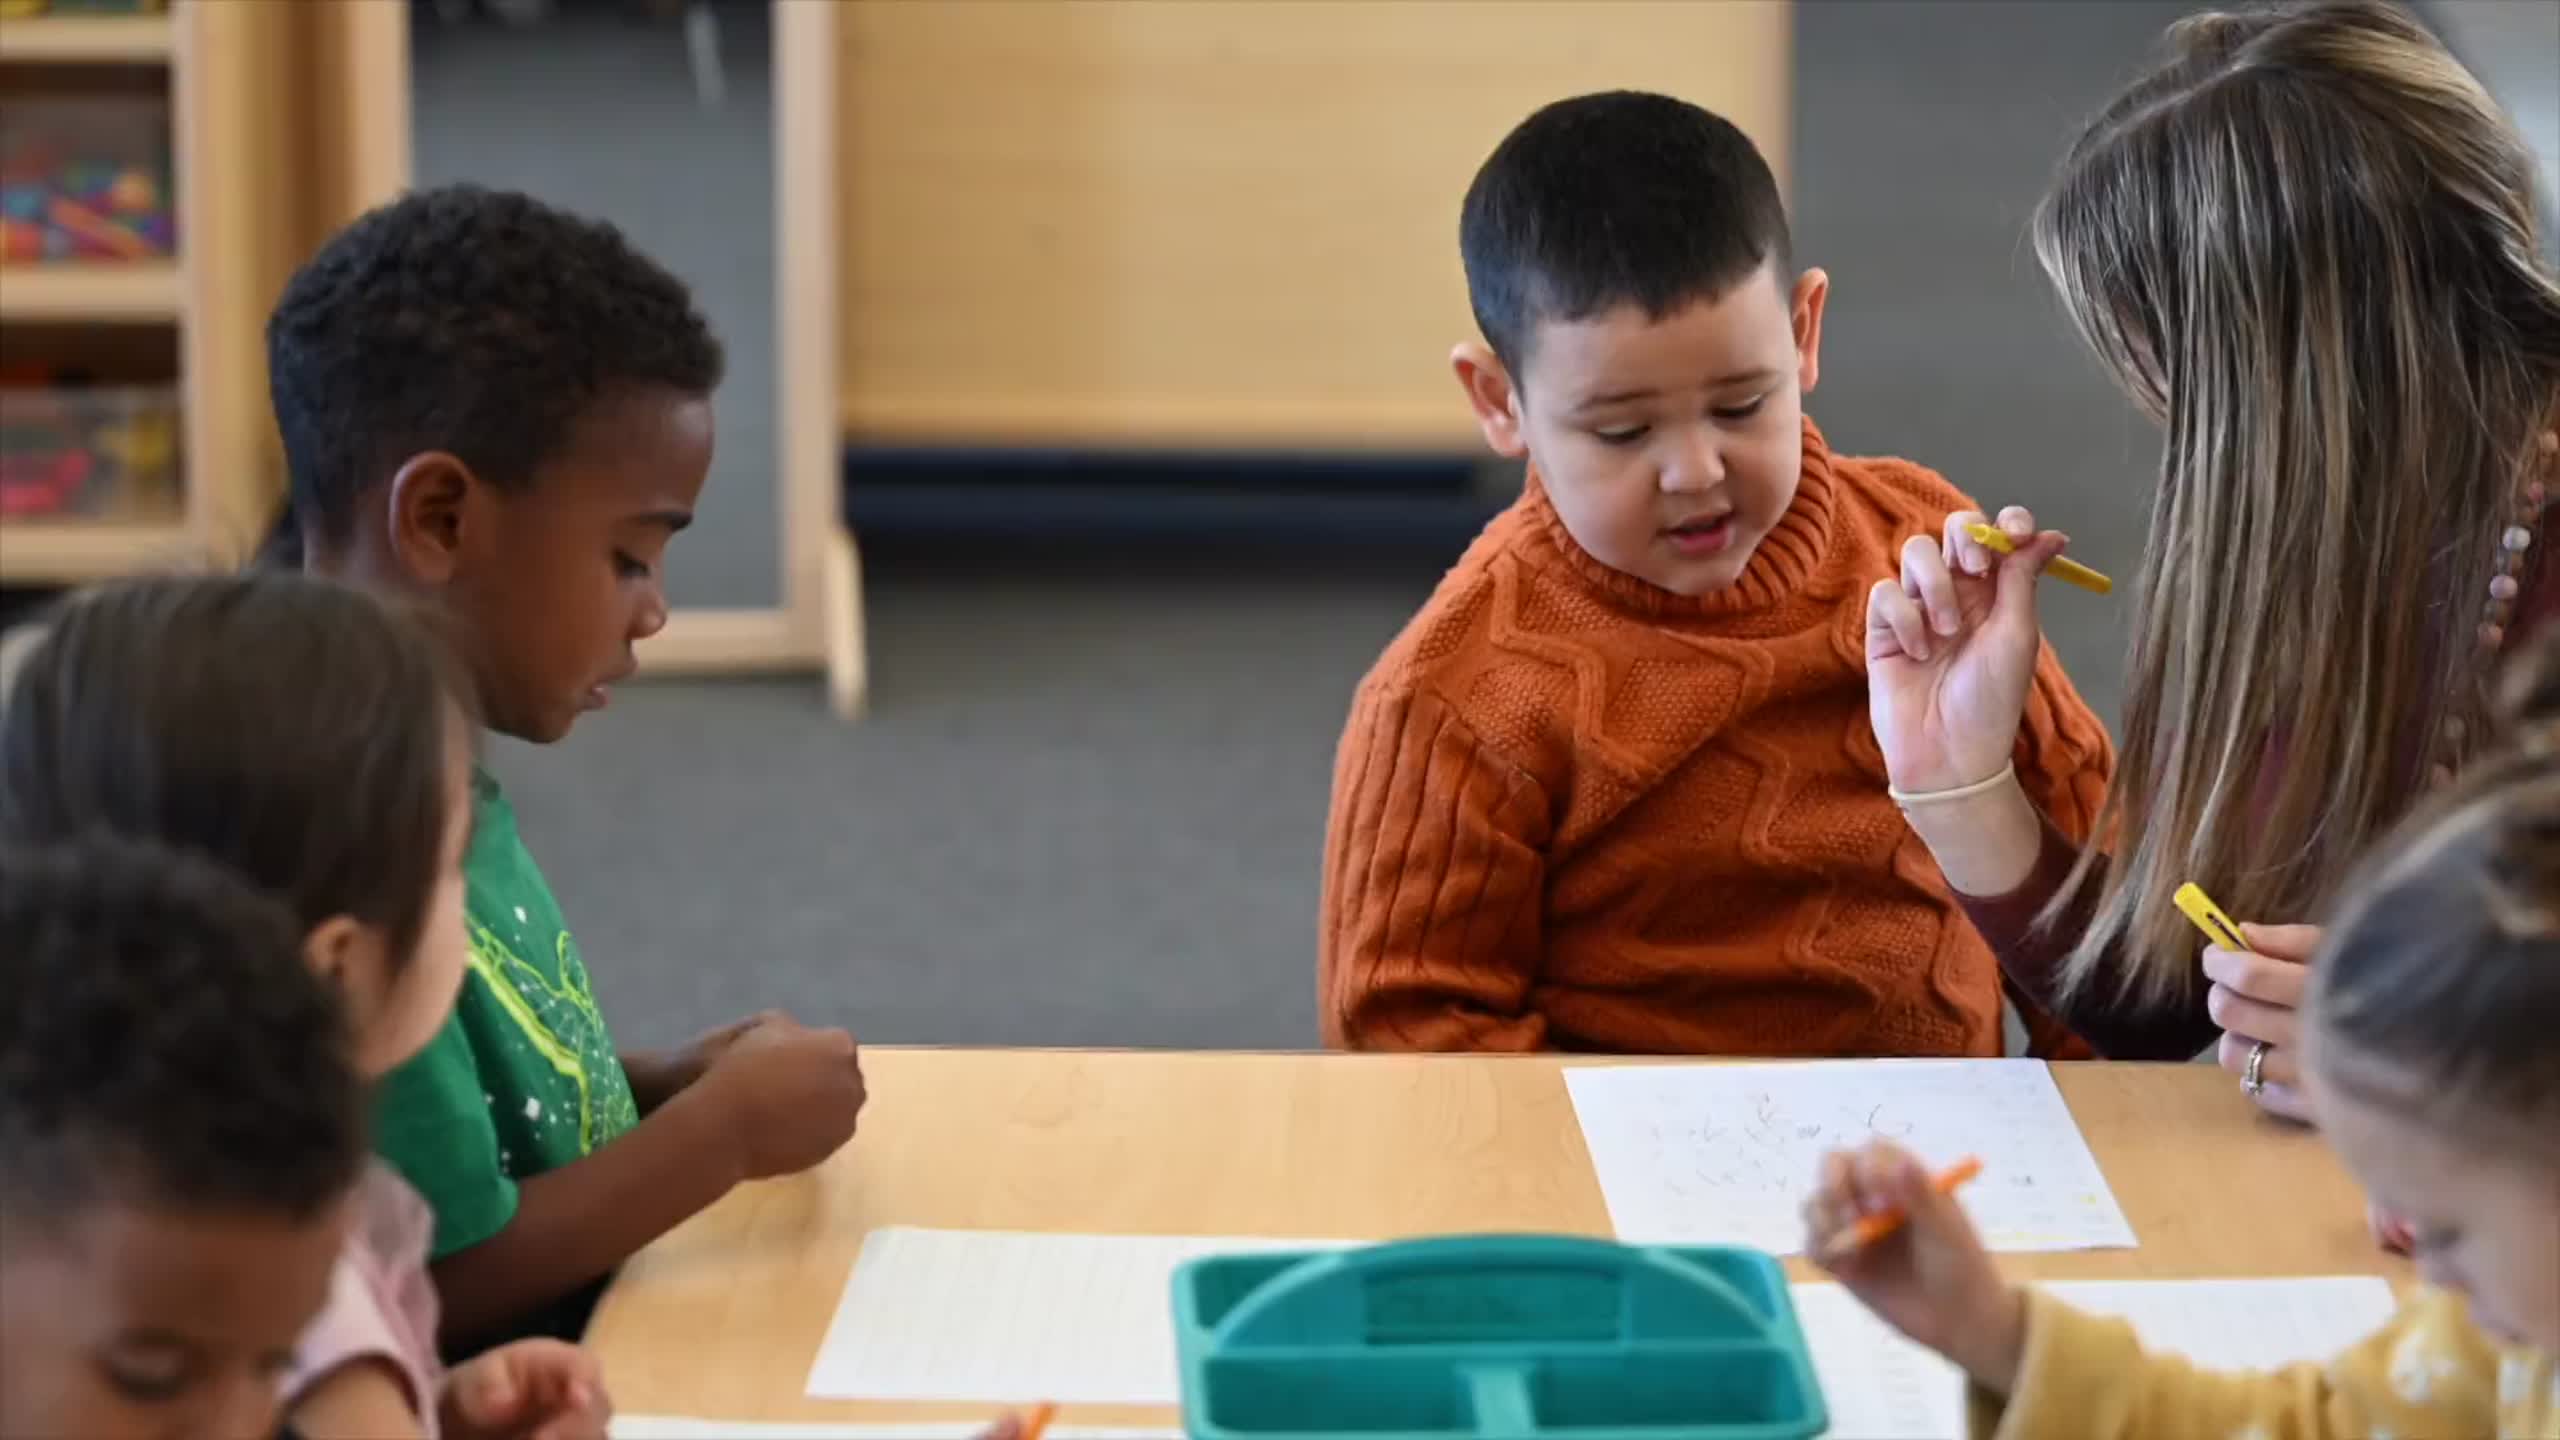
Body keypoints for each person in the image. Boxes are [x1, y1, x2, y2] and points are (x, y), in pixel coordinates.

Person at [1868, 0, 2560, 1119]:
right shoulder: (2337, 551)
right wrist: (1958, 777)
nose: (2161, 425)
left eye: (2173, 382)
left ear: (2272, 396)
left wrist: (2443, 1054)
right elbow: (2176, 993)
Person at [1318, 91, 2114, 1055]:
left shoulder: (1926, 554)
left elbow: (2101, 933)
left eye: (1740, 405)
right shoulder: (1454, 700)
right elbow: (1410, 1041)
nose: (1695, 470)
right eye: (1622, 430)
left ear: (1804, 331)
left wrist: (2092, 1155)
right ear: (1500, 400)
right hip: (1632, 1194)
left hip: (1948, 1178)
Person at [261, 184, 868, 1350]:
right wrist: (721, 1138)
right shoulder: (332, 840)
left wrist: (659, 1083)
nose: (653, 613)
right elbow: (431, 1286)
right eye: (628, 557)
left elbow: (465, 1133)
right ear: (439, 517)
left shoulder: (423, 760)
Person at [1802, 633, 2560, 1440]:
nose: (2421, 1268)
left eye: (2445, 1226)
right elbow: (2291, 1429)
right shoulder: (2495, 1346)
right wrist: (1993, 1333)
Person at [0, 575, 607, 1440]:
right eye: (153, 1377)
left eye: (276, 1372)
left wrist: (440, 1417)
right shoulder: (185, 1223)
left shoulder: (271, 1193)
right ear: (336, 967)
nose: (242, 1426)